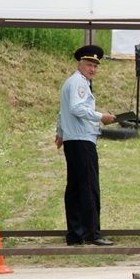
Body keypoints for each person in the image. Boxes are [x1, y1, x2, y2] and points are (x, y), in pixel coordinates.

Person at [55, 45, 116, 246]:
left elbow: (62, 111)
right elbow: (76, 108)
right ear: (80, 64)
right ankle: (92, 233)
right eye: (89, 65)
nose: (93, 69)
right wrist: (101, 117)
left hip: (73, 139)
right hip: (82, 140)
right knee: (89, 187)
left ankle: (75, 233)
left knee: (74, 187)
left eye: (95, 66)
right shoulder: (79, 83)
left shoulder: (71, 82)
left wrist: (61, 132)